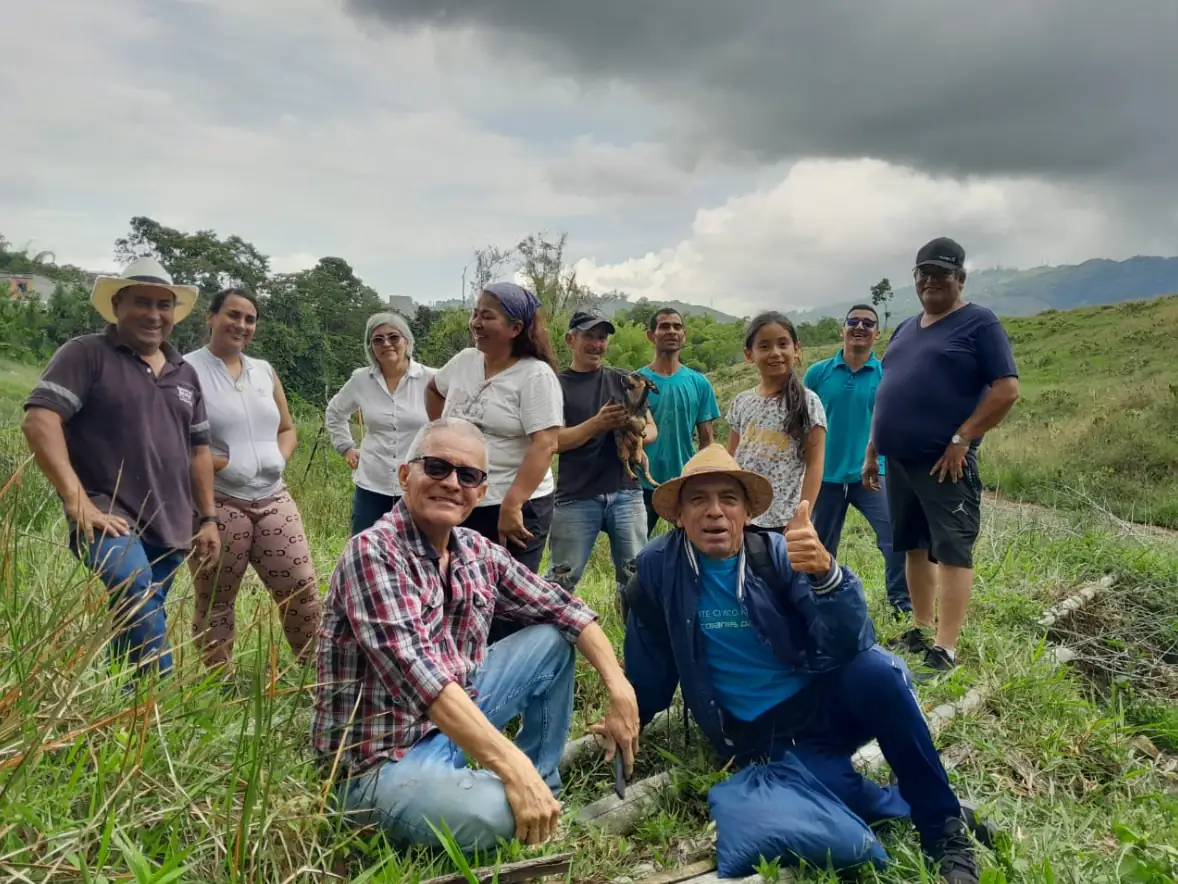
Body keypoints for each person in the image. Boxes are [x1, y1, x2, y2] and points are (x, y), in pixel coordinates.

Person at [621, 445, 982, 884]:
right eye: (698, 500)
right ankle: (918, 802)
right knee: (836, 791)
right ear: (679, 516)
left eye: (728, 499)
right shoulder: (659, 569)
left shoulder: (776, 555)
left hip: (822, 701)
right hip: (765, 733)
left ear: (747, 513)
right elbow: (650, 663)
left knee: (881, 671)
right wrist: (629, 714)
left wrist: (827, 575)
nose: (714, 511)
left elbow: (850, 643)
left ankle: (944, 831)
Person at [313, 417, 640, 853]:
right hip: (380, 760)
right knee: (499, 814)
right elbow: (421, 678)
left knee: (553, 638)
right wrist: (511, 765)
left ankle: (541, 788)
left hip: (449, 723)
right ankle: (511, 791)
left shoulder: (474, 550)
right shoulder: (373, 552)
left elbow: (567, 608)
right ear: (405, 475)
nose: (451, 483)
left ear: (480, 492)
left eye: (467, 476)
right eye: (437, 468)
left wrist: (620, 688)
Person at [20, 257, 220, 678]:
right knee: (134, 589)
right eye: (142, 302)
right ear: (117, 305)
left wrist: (207, 519)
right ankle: (163, 695)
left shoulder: (185, 373)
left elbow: (199, 451)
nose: (154, 314)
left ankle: (124, 701)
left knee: (137, 614)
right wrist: (77, 500)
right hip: (107, 513)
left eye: (163, 305)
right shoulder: (86, 354)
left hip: (171, 522)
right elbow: (40, 420)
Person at [866, 237, 1020, 672]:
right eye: (924, 274)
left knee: (952, 550)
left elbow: (1007, 389)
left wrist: (963, 437)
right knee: (913, 546)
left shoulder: (979, 323)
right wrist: (873, 449)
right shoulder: (905, 328)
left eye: (942, 274)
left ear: (960, 279)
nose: (931, 281)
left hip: (943, 462)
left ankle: (945, 648)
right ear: (915, 279)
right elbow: (889, 392)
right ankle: (920, 628)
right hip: (898, 461)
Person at [184, 288, 321, 672]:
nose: (241, 325)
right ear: (210, 317)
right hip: (218, 501)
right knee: (216, 600)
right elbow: (173, 441)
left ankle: (316, 673)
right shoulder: (186, 370)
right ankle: (220, 684)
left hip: (273, 497)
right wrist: (227, 463)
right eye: (232, 315)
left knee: (301, 588)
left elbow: (287, 428)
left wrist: (277, 458)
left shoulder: (263, 371)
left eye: (250, 319)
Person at [425, 283, 562, 574]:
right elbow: (434, 389)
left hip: (513, 502)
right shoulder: (465, 361)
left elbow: (545, 444)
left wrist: (513, 504)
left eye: (487, 316)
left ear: (515, 328)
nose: (476, 323)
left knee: (505, 590)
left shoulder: (535, 375)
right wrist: (440, 437)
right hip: (460, 495)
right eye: (475, 314)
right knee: (456, 581)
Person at [805, 305, 910, 615]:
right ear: (843, 329)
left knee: (895, 539)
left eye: (868, 323)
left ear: (877, 334)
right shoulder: (818, 373)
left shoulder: (887, 375)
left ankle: (902, 605)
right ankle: (818, 603)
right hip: (825, 475)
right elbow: (802, 421)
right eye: (853, 321)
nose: (860, 327)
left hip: (874, 474)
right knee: (819, 546)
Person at [546, 309, 657, 599]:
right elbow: (552, 442)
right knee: (561, 580)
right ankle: (551, 629)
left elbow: (651, 429)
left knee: (636, 579)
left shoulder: (623, 379)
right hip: (576, 495)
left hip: (626, 492)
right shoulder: (555, 384)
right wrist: (596, 424)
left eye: (602, 338)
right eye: (589, 336)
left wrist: (632, 433)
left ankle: (633, 629)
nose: (597, 344)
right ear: (570, 339)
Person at [326, 312, 435, 536]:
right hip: (372, 484)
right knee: (366, 547)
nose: (386, 344)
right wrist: (346, 447)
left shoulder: (431, 379)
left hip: (418, 484)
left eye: (393, 337)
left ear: (407, 341)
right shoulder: (361, 380)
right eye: (378, 339)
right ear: (371, 347)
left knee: (417, 548)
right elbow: (335, 412)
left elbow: (451, 423)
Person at [726, 312, 826, 533]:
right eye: (764, 346)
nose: (775, 353)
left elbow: (815, 464)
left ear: (796, 349)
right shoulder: (742, 401)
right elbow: (731, 458)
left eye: (783, 344)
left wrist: (802, 516)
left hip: (783, 519)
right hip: (742, 514)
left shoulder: (809, 402)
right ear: (749, 355)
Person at [637, 307, 720, 535]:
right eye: (664, 326)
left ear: (684, 335)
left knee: (694, 541)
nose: (672, 331)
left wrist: (706, 479)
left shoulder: (699, 383)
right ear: (651, 335)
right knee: (635, 549)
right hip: (642, 482)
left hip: (685, 480)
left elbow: (707, 440)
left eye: (677, 327)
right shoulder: (637, 383)